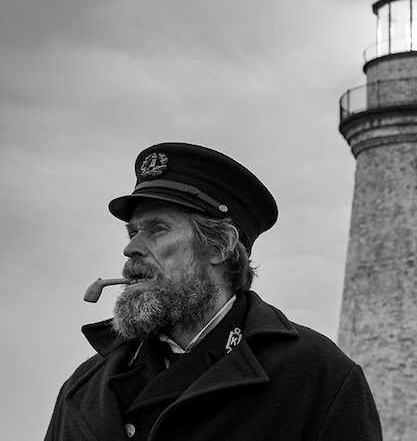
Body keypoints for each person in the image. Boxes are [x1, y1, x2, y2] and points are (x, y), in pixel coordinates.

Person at [46, 143, 382, 440]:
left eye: (157, 229)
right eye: (132, 231)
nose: (131, 247)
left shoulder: (317, 376)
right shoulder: (86, 385)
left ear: (220, 247)